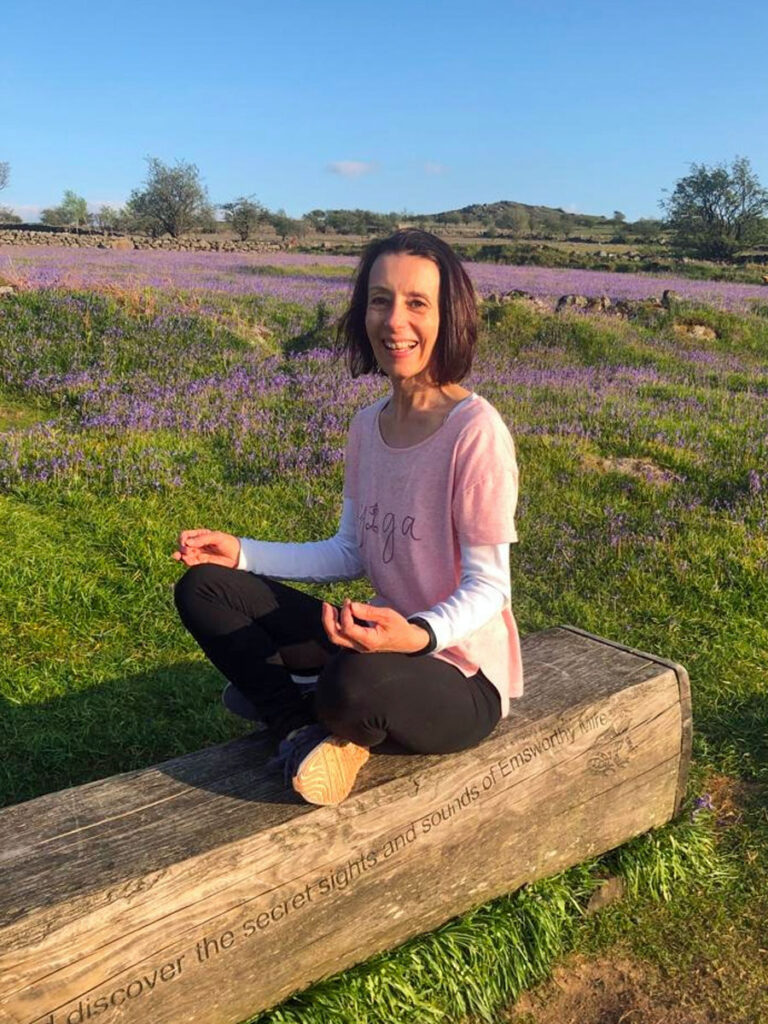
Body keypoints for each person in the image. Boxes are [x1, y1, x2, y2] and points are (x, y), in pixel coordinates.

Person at [173, 229, 522, 807]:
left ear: (449, 316)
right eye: (380, 300)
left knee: (351, 684)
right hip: (373, 636)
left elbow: (490, 586)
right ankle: (298, 727)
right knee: (205, 587)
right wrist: (242, 552)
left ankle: (302, 697)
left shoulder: (475, 432)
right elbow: (349, 551)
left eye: (417, 303)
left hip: (459, 674)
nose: (394, 322)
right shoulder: (368, 425)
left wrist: (417, 635)